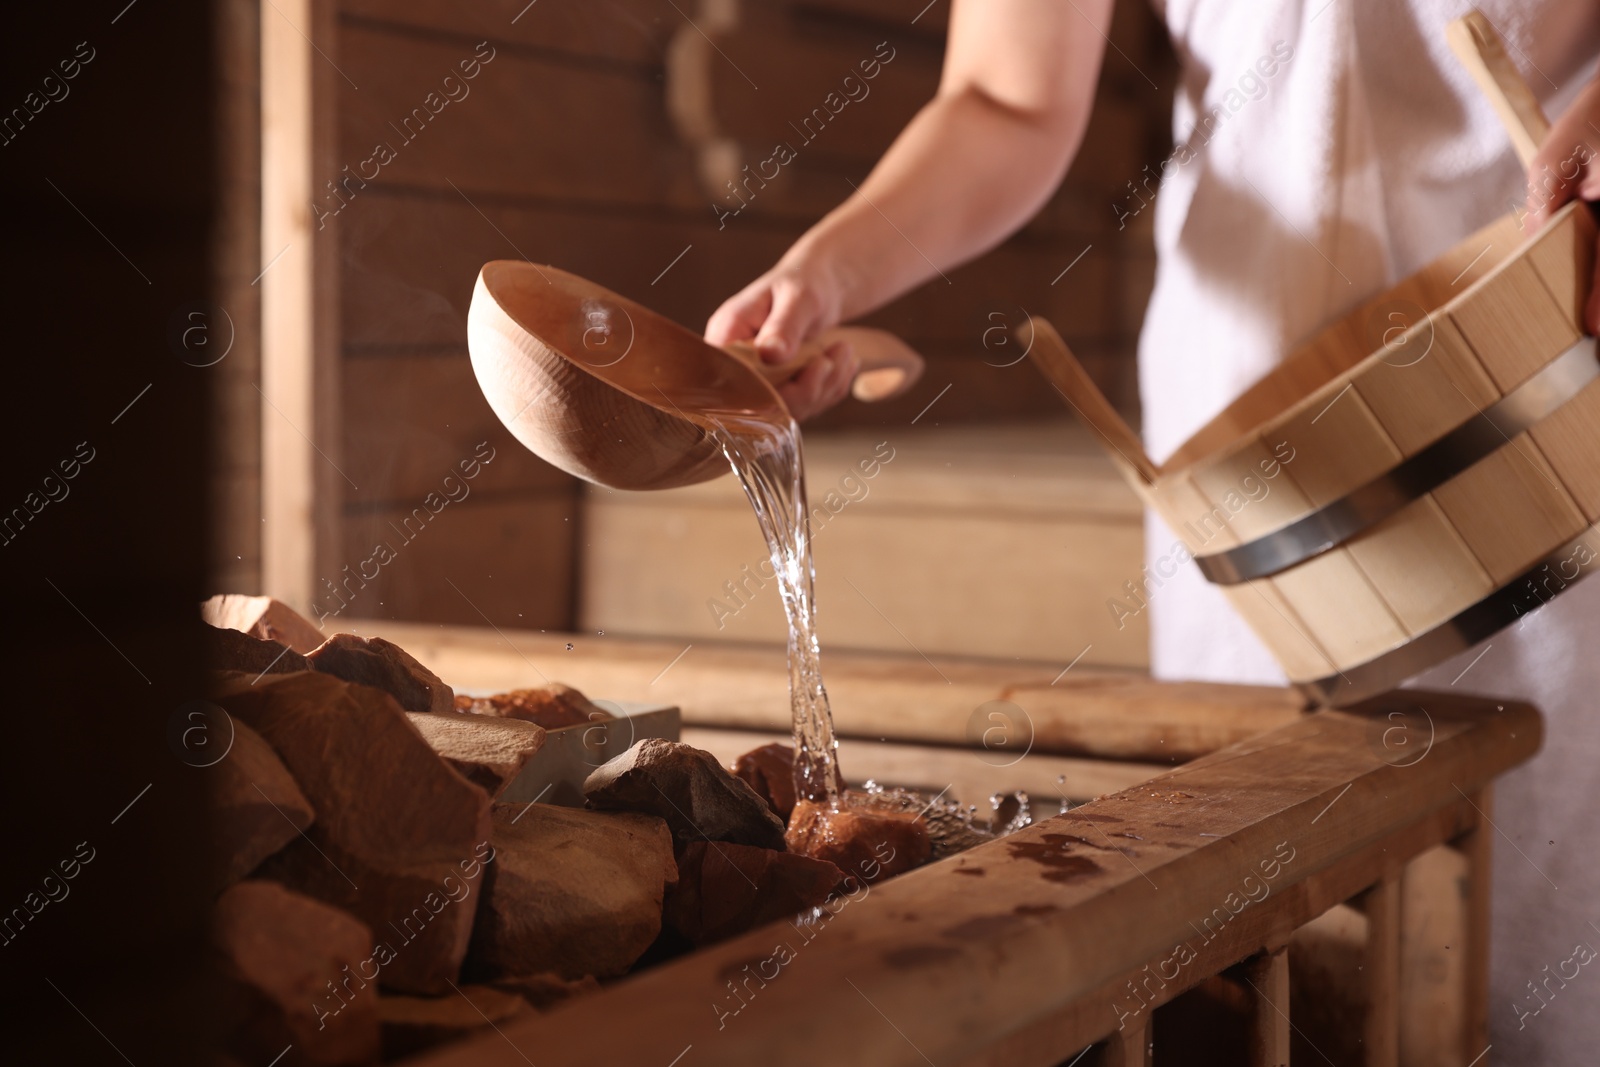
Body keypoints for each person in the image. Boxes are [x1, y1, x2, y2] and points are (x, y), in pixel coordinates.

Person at [704, 1, 1600, 1061]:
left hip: (1543, 341)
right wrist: (827, 275)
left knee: (1549, 939)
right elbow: (1006, 95)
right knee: (1269, 951)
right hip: (1244, 435)